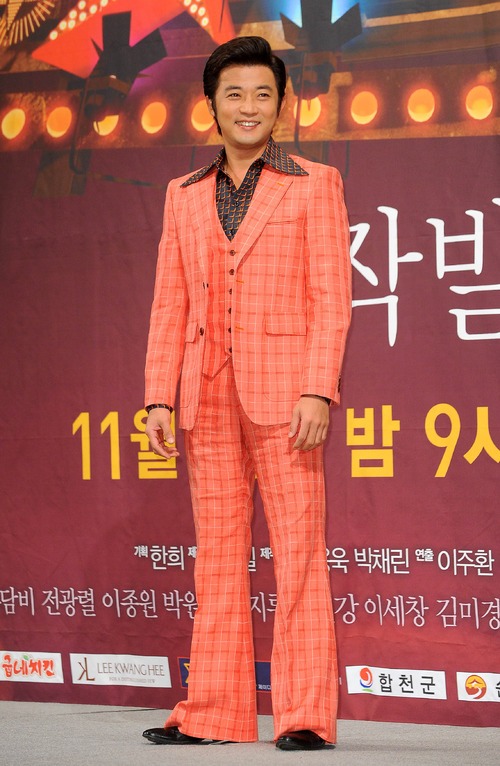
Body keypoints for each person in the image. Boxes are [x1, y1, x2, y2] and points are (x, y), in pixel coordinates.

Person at [141, 36, 351, 751]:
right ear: (212, 105)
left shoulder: (314, 183)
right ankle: (214, 714)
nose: (249, 106)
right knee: (219, 557)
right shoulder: (183, 193)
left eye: (263, 93)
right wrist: (159, 396)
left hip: (287, 396)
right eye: (234, 94)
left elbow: (331, 298)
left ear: (281, 104)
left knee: (298, 552)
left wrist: (318, 389)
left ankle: (304, 715)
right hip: (205, 397)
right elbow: (168, 303)